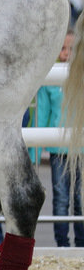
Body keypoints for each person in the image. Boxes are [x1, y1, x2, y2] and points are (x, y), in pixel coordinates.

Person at [37, 31, 84, 247]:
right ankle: (62, 243)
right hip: (58, 149)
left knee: (80, 199)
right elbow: (42, 115)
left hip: (80, 148)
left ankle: (82, 242)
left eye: (71, 49)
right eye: (63, 49)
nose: (66, 53)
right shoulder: (49, 77)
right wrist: (33, 152)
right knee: (61, 198)